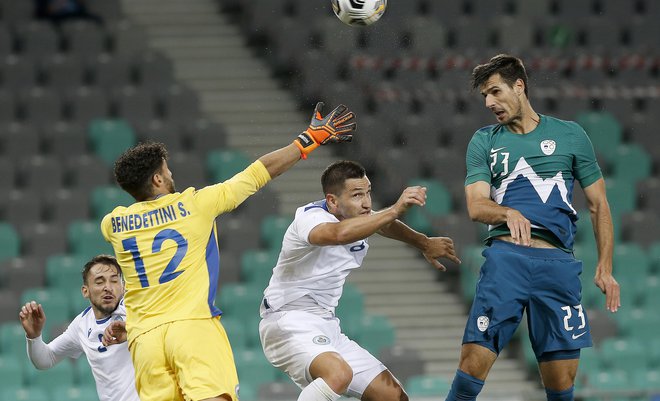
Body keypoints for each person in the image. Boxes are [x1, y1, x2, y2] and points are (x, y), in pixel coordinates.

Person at [99, 102, 356, 401]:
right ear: (157, 179)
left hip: (144, 340)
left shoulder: (113, 224)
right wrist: (310, 138)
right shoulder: (196, 204)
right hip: (192, 328)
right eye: (167, 171)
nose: (171, 176)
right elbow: (257, 174)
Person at [444, 54, 621, 401]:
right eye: (484, 97)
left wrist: (605, 267)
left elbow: (599, 204)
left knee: (560, 385)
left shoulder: (571, 135)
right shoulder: (485, 141)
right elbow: (476, 205)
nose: (489, 103)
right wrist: (507, 213)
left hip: (557, 268)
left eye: (495, 92)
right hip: (506, 261)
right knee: (471, 365)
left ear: (519, 86)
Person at [259, 160, 461, 401]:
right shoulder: (309, 218)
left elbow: (384, 225)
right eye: (357, 195)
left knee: (392, 396)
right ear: (332, 201)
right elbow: (337, 234)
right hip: (288, 320)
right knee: (338, 374)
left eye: (368, 193)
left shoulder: (358, 215)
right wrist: (395, 209)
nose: (366, 202)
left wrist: (423, 242)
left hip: (326, 323)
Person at [19, 254, 139, 401]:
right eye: (99, 282)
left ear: (123, 287)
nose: (108, 287)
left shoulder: (135, 309)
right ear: (85, 291)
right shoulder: (82, 324)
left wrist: (133, 330)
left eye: (114, 281)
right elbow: (45, 359)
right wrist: (34, 336)